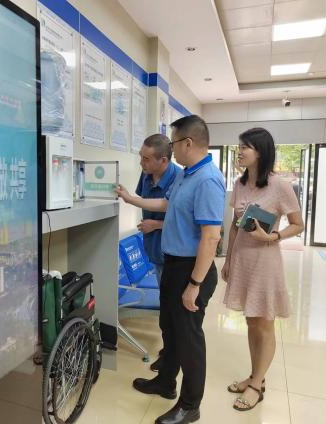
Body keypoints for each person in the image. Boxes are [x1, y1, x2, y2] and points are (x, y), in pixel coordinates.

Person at [116, 115, 225, 424]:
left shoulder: (207, 180)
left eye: (174, 143)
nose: (172, 149)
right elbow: (166, 205)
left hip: (192, 270)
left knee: (189, 339)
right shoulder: (187, 175)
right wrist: (131, 199)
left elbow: (211, 237)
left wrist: (194, 284)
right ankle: (165, 382)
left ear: (187, 143)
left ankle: (190, 405)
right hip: (174, 264)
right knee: (171, 330)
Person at [221, 127, 304, 412]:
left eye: (245, 147)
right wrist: (229, 259)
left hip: (266, 262)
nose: (240, 151)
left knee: (264, 323)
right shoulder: (240, 183)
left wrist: (273, 236)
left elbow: (298, 224)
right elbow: (235, 225)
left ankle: (256, 384)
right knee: (250, 321)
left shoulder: (280, 186)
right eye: (239, 146)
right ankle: (257, 375)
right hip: (243, 260)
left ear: (261, 151)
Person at [135, 134, 180, 373]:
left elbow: (182, 217)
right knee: (166, 304)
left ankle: (172, 353)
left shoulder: (179, 178)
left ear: (163, 160)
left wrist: (156, 225)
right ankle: (169, 350)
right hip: (154, 248)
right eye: (141, 157)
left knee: (172, 307)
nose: (141, 163)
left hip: (173, 251)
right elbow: (143, 201)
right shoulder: (145, 175)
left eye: (146, 159)